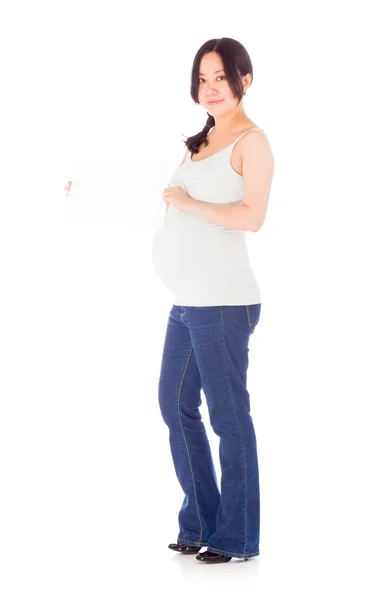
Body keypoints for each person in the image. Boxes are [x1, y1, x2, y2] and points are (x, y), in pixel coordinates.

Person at [152, 37, 274, 564]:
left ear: (244, 79)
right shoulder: (198, 141)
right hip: (188, 299)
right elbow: (167, 202)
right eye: (203, 78)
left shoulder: (253, 142)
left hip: (224, 301)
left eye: (220, 77)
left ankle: (238, 536)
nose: (210, 88)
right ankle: (200, 519)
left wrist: (189, 202)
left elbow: (252, 217)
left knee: (228, 416)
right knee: (173, 404)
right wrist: (87, 193)